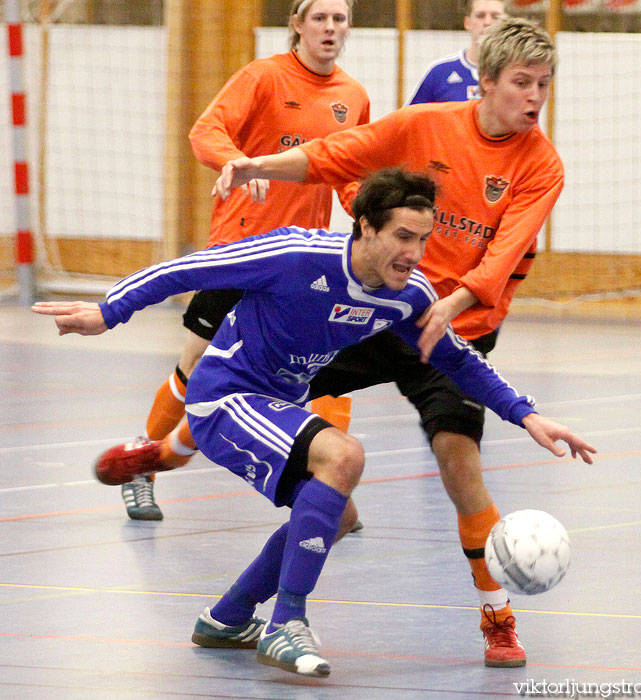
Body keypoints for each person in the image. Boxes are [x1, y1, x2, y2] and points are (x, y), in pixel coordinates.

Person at [32, 167, 596, 678]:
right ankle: (286, 623)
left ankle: (227, 618)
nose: (415, 253)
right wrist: (107, 312)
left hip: (275, 405)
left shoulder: (408, 297)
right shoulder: (296, 256)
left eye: (424, 240)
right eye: (403, 237)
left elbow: (455, 360)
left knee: (339, 516)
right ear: (366, 229)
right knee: (343, 455)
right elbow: (189, 268)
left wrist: (529, 415)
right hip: (223, 397)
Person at [210, 17, 562, 668]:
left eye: (543, 83)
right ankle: (165, 446)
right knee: (263, 384)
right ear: (485, 82)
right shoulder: (427, 122)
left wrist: (451, 303)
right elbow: (335, 154)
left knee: (462, 473)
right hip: (380, 312)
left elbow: (503, 253)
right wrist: (254, 163)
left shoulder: (541, 165)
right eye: (521, 83)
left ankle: (496, 616)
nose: (535, 96)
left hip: (455, 331)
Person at [120, 0, 370, 521]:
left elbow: (348, 173)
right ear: (297, 24)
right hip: (241, 248)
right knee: (194, 367)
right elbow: (204, 131)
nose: (330, 28)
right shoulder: (262, 77)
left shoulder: (353, 96)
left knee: (315, 370)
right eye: (319, 18)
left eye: (339, 18)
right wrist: (237, 161)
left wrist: (373, 219)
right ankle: (141, 465)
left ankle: (329, 487)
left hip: (302, 264)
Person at [405, 0, 507, 105]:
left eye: (495, 17)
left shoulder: (515, 72)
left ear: (505, 24)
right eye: (480, 16)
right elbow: (409, 118)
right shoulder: (440, 72)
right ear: (467, 23)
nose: (487, 22)